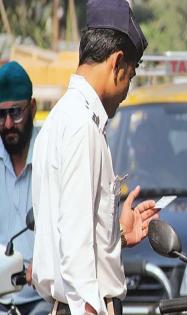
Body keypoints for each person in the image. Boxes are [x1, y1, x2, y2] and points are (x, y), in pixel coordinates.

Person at [31, 1, 159, 315]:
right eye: (131, 74)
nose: (128, 88)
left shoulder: (60, 119)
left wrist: (115, 235)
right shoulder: (80, 127)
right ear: (117, 63)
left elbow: (72, 228)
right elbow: (75, 250)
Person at [0, 61, 51, 315]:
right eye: (1, 115)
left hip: (43, 298)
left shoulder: (51, 158)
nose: (8, 124)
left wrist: (42, 267)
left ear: (32, 108)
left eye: (16, 113)